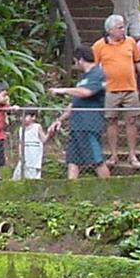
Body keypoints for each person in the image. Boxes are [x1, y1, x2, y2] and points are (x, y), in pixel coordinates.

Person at [93, 14, 140, 170]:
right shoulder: (99, 46)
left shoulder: (130, 42)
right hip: (110, 90)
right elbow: (92, 68)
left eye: (123, 27)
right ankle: (113, 154)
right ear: (110, 30)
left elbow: (138, 63)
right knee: (111, 121)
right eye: (120, 27)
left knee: (132, 121)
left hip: (130, 88)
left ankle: (132, 154)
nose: (123, 30)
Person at [48, 45, 110, 179]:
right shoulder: (83, 78)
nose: (75, 65)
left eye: (75, 62)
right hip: (76, 126)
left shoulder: (98, 74)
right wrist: (60, 119)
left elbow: (86, 92)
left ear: (80, 60)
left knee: (96, 160)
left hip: (88, 125)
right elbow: (74, 103)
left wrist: (63, 90)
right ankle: (72, 194)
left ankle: (110, 192)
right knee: (72, 161)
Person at [11, 109, 50, 180]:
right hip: (24, 154)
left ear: (33, 117)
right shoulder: (21, 129)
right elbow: (20, 142)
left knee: (32, 174)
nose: (22, 118)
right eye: (21, 116)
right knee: (18, 173)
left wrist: (50, 133)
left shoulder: (37, 127)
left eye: (25, 116)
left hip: (34, 154)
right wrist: (20, 153)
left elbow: (44, 139)